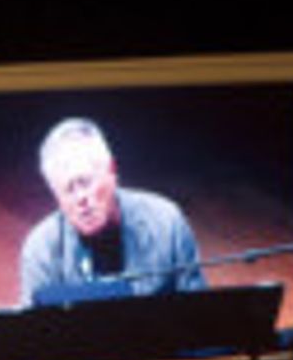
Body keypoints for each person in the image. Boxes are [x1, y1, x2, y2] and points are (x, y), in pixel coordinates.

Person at [19, 117, 206, 307]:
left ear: (112, 170)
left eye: (85, 183)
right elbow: (37, 331)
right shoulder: (41, 252)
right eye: (67, 190)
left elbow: (197, 316)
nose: (80, 199)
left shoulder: (167, 224)